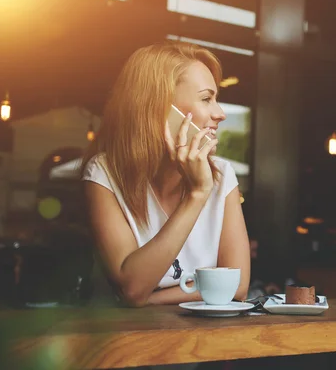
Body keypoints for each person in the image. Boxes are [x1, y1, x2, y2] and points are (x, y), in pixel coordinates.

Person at [81, 41, 250, 308]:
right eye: (207, 99)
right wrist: (196, 195)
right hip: (121, 342)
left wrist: (152, 298)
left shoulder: (221, 175)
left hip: (201, 342)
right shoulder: (103, 173)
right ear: (159, 107)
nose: (220, 114)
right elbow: (133, 288)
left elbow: (238, 286)